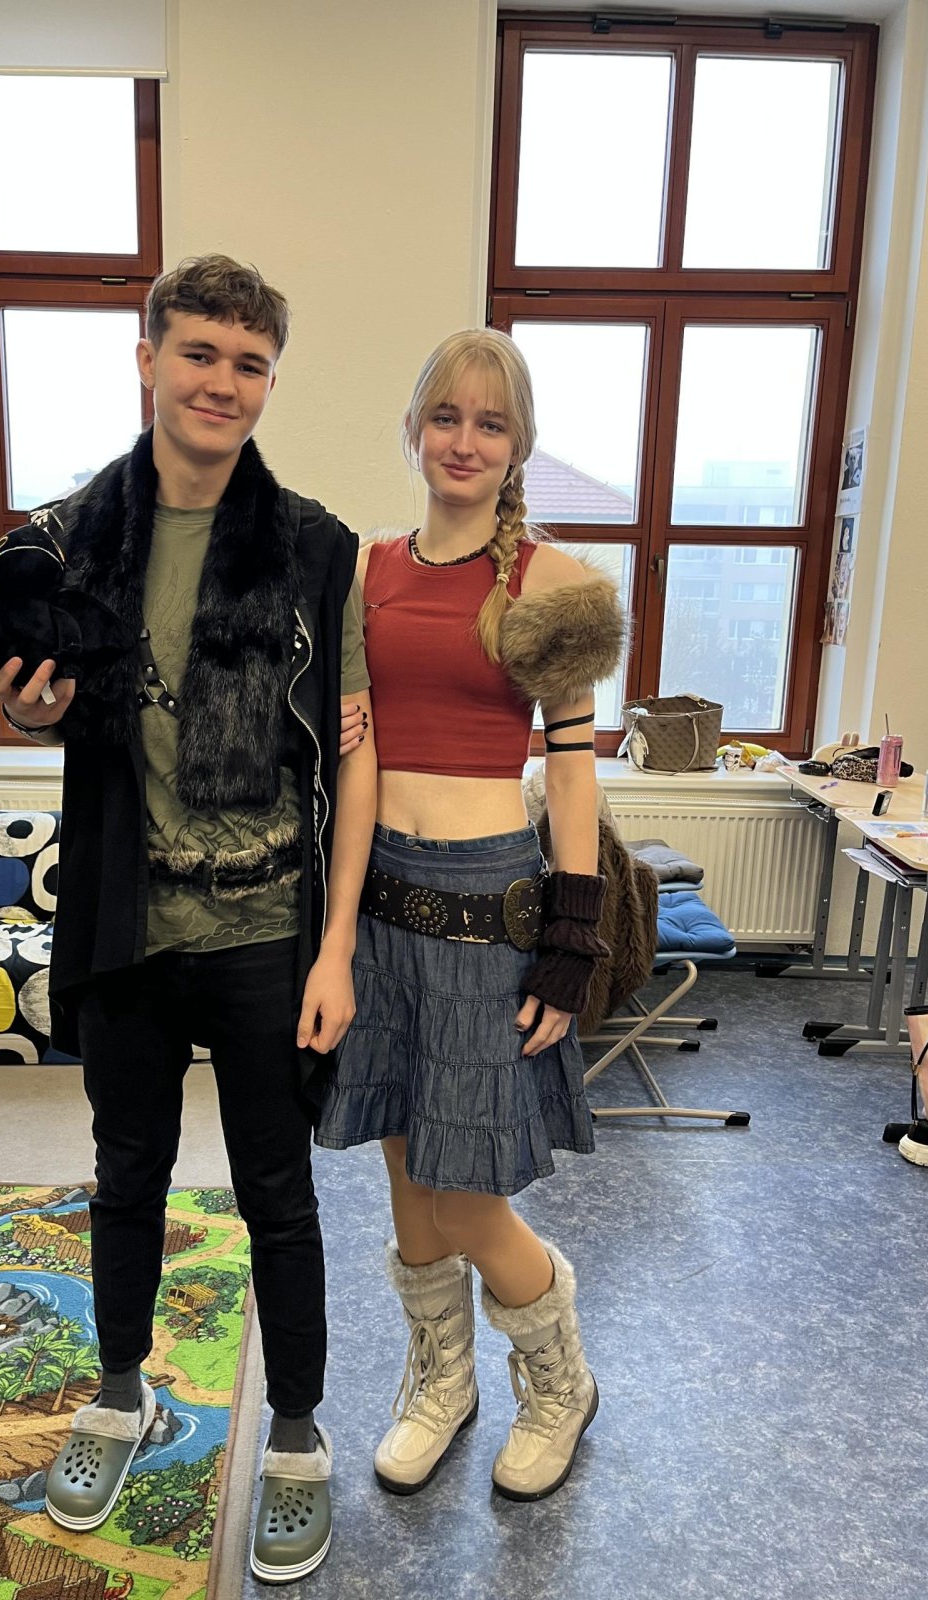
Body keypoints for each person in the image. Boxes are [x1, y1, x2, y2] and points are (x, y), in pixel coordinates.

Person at [0, 255, 376, 1585]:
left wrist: (337, 947)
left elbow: (356, 758)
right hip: (125, 921)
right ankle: (120, 1392)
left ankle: (299, 1431)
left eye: (250, 363)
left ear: (271, 382)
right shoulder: (67, 540)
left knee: (279, 1192)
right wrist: (24, 709)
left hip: (268, 930)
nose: (224, 382)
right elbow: (25, 696)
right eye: (200, 352)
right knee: (127, 1176)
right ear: (148, 357)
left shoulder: (317, 550)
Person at [317, 329, 625, 1502]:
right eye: (445, 416)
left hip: (490, 910)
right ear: (413, 429)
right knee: (404, 1161)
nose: (464, 440)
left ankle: (560, 1380)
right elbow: (346, 742)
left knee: (467, 1189)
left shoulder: (551, 584)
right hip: (380, 901)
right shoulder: (366, 570)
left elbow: (576, 776)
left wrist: (573, 939)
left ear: (518, 445)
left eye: (490, 423)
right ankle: (441, 1379)